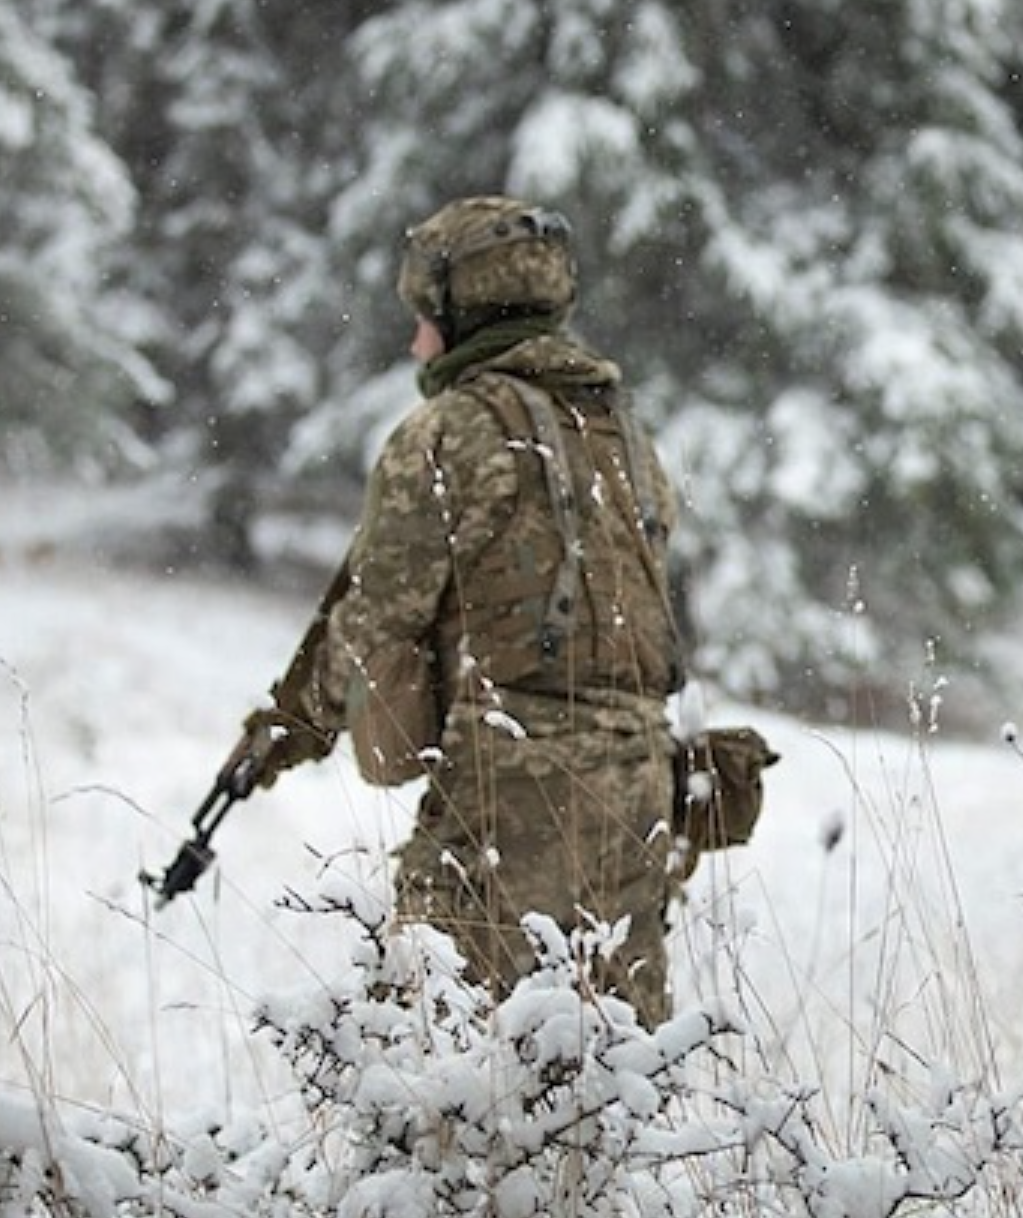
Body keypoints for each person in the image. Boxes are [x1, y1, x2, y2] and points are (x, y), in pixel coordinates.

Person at [227, 195, 685, 1024]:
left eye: (422, 318)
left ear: (462, 312)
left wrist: (289, 732)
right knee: (617, 1069)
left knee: (443, 1060)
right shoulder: (621, 430)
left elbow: (376, 620)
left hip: (510, 789)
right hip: (643, 791)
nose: (414, 341)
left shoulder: (449, 432)